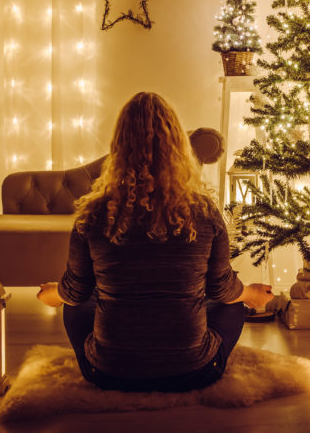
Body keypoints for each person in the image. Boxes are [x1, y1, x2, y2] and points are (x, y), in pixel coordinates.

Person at [37, 92, 273, 392]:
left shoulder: (94, 213)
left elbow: (75, 291)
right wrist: (249, 293)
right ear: (178, 147)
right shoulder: (204, 209)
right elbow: (221, 290)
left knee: (75, 306)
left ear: (118, 147)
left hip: (107, 372)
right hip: (194, 372)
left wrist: (53, 293)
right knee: (232, 307)